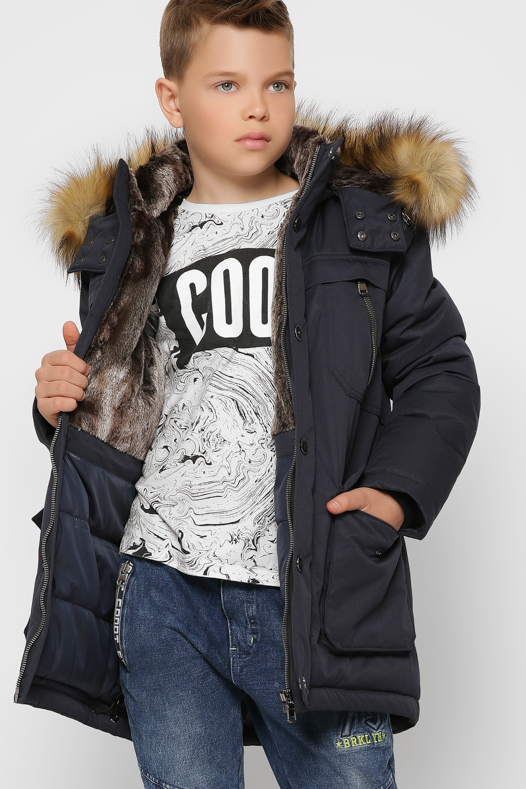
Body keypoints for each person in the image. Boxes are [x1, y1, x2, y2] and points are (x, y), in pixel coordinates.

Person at [15, 1, 480, 787]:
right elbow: (123, 402)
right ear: (172, 99)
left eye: (278, 83)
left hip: (315, 584)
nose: (258, 107)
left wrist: (394, 495)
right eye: (227, 84)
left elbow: (442, 369)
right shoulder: (131, 233)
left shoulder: (358, 224)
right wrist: (55, 402)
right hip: (162, 588)